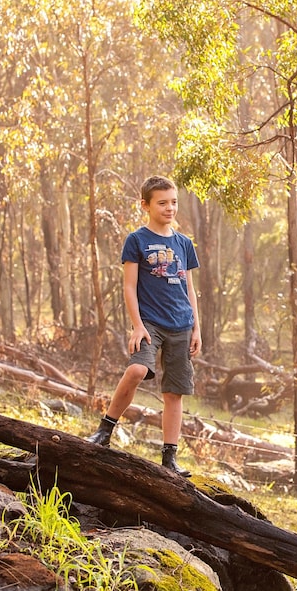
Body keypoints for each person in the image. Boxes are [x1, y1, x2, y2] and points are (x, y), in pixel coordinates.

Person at [85, 175, 201, 477]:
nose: (169, 208)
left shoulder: (184, 244)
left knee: (174, 392)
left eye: (173, 202)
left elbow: (190, 289)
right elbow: (129, 286)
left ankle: (169, 457)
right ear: (145, 205)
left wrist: (196, 329)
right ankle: (105, 430)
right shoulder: (137, 240)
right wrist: (137, 326)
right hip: (150, 322)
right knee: (137, 370)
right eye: (162, 203)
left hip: (181, 324)